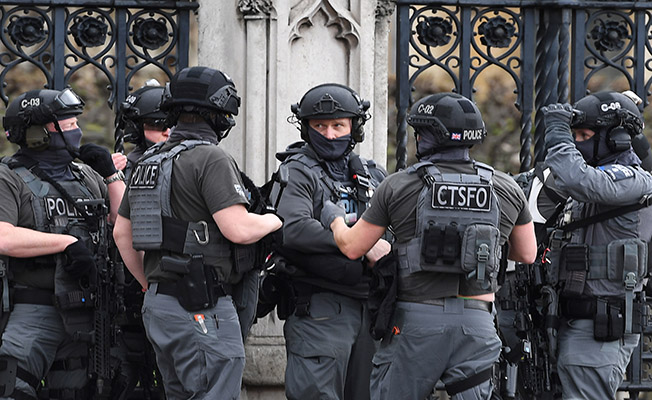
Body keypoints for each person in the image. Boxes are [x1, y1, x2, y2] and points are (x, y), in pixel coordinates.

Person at [321, 92, 537, 399]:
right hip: (477, 321)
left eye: (419, 133)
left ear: (428, 138)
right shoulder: (505, 187)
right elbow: (526, 253)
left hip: (416, 323)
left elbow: (353, 247)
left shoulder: (399, 185)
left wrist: (335, 220)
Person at [112, 66, 282, 400]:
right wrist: (276, 221)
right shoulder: (210, 157)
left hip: (161, 306)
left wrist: (149, 284)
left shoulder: (149, 159)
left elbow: (122, 232)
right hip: (201, 306)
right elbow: (238, 229)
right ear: (219, 113)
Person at [0, 87, 126, 399]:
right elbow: (3, 236)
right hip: (35, 307)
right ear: (37, 133)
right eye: (68, 125)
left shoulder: (85, 174)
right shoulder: (9, 177)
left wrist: (111, 177)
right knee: (12, 388)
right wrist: (65, 243)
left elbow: (123, 225)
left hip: (87, 312)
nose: (76, 131)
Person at [273, 83, 390, 400]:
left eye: (338, 125)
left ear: (355, 126)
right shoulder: (296, 171)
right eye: (319, 126)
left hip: (371, 306)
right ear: (305, 127)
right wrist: (359, 242)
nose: (329, 134)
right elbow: (292, 229)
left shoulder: (372, 174)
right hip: (320, 308)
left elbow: (397, 229)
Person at [541, 91, 652, 399]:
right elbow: (555, 184)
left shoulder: (632, 179)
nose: (577, 142)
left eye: (584, 135)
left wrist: (559, 135)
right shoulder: (592, 180)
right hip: (574, 321)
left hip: (601, 326)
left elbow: (583, 181)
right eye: (574, 135)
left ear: (615, 139)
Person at [111, 82, 170, 399]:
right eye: (156, 126)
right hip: (134, 290)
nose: (165, 134)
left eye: (169, 125)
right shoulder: (126, 168)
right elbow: (119, 230)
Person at [115, 81, 170, 179]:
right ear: (136, 128)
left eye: (174, 124)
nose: (168, 132)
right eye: (158, 124)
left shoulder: (192, 162)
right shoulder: (121, 170)